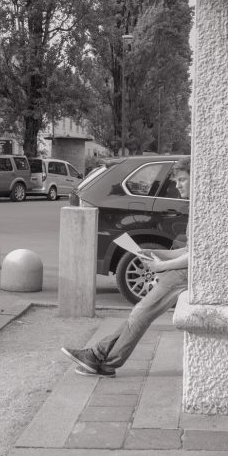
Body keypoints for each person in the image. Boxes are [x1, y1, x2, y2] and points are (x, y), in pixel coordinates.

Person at [62, 158, 191, 377]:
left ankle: (102, 358)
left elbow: (200, 256)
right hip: (184, 271)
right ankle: (101, 358)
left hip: (186, 274)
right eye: (177, 181)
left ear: (196, 179)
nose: (177, 185)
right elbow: (191, 251)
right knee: (141, 313)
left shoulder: (204, 210)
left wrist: (163, 264)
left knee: (141, 312)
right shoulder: (197, 206)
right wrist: (158, 254)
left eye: (182, 180)